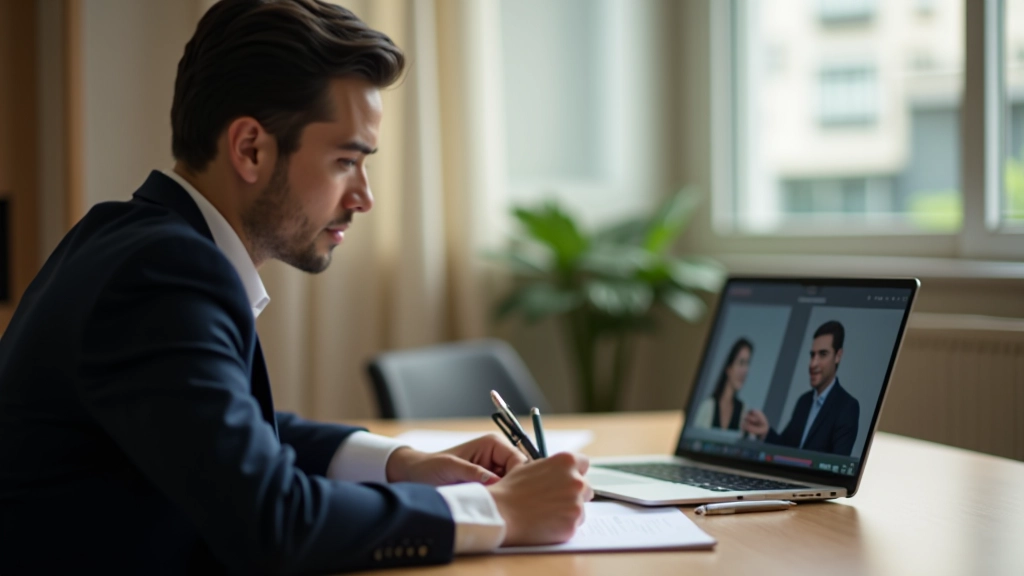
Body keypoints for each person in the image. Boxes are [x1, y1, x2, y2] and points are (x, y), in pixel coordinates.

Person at [0, 1, 592, 574]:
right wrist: (497, 513)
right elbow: (271, 522)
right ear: (250, 149)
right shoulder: (163, 273)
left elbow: (227, 435)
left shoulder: (129, 237)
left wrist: (403, 463)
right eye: (345, 161)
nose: (364, 197)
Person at [741, 321, 860, 456]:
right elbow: (785, 449)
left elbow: (838, 463)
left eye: (823, 354)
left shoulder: (847, 407)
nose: (813, 363)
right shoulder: (804, 401)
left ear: (838, 356)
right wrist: (765, 432)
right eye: (812, 355)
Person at [693, 338, 753, 431]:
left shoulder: (743, 411)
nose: (745, 371)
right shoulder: (708, 407)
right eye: (741, 363)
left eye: (747, 364)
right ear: (729, 368)